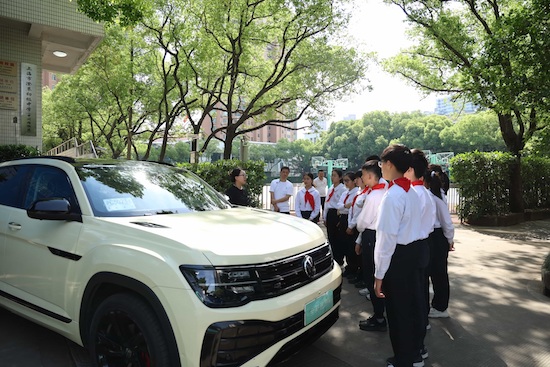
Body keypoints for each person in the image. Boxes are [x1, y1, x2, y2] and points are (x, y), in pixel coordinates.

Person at [374, 144, 425, 367]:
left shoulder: (393, 196)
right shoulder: (412, 191)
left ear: (389, 164)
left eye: (381, 163)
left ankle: (403, 359)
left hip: (399, 257)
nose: (381, 168)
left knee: (397, 312)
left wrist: (379, 274)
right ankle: (414, 354)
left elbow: (385, 240)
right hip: (415, 253)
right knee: (413, 306)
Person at [404, 149, 436, 361]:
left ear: (411, 170)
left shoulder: (414, 194)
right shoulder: (424, 192)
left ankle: (415, 350)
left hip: (411, 249)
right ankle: (419, 346)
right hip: (422, 246)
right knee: (419, 296)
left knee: (412, 301)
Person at [356, 159, 388, 332]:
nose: (361, 178)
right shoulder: (384, 189)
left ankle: (379, 316)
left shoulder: (374, 195)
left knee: (371, 275)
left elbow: (362, 222)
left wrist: (359, 233)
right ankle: (381, 312)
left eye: (363, 175)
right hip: (381, 234)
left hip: (371, 235)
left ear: (369, 176)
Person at [425, 164, 455, 319]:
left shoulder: (436, 196)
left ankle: (441, 306)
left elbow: (446, 221)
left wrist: (449, 239)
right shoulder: (431, 194)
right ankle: (437, 304)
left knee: (439, 273)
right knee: (434, 272)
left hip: (438, 236)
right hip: (433, 236)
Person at [337, 171, 360, 279]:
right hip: (343, 219)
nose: (345, 183)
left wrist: (344, 206)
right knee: (344, 244)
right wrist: (346, 205)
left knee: (351, 246)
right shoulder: (345, 193)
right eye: (344, 181)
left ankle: (353, 268)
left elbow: (352, 208)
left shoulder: (356, 193)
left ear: (354, 181)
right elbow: (339, 205)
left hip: (350, 220)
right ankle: (349, 267)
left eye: (347, 181)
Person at [323, 169, 346, 266]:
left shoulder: (343, 189)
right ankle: (333, 257)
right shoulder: (330, 188)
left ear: (340, 177)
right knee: (331, 237)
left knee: (338, 238)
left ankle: (339, 258)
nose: (332, 178)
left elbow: (342, 204)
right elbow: (327, 203)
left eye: (335, 175)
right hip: (330, 213)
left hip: (337, 213)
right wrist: (324, 217)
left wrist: (340, 218)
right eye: (332, 175)